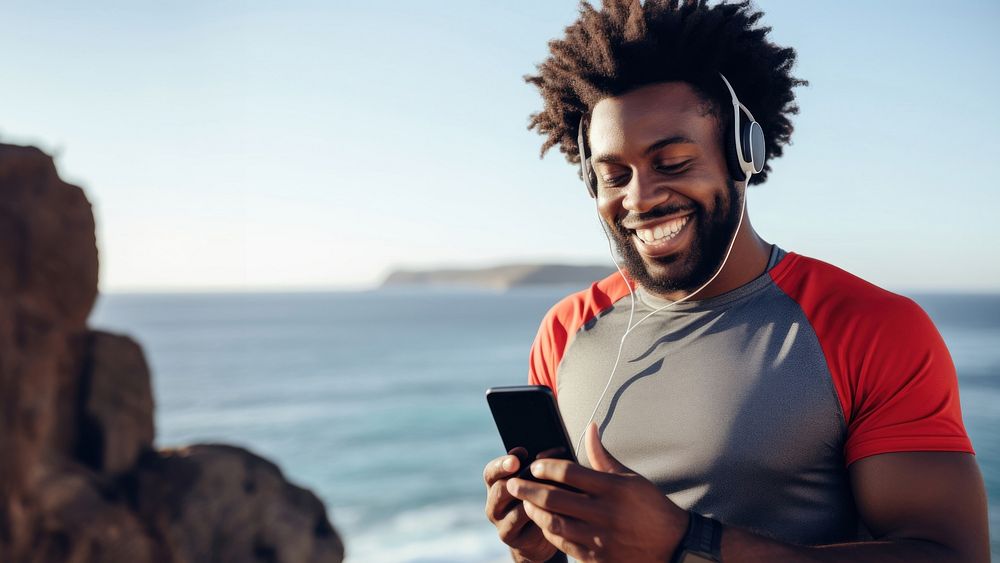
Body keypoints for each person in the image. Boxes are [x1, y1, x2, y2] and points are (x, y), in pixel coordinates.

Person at [482, 1, 990, 562]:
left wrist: (688, 544)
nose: (640, 198)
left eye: (672, 163)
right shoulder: (566, 329)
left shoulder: (871, 327)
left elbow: (949, 553)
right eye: (613, 175)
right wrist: (538, 549)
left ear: (742, 155)